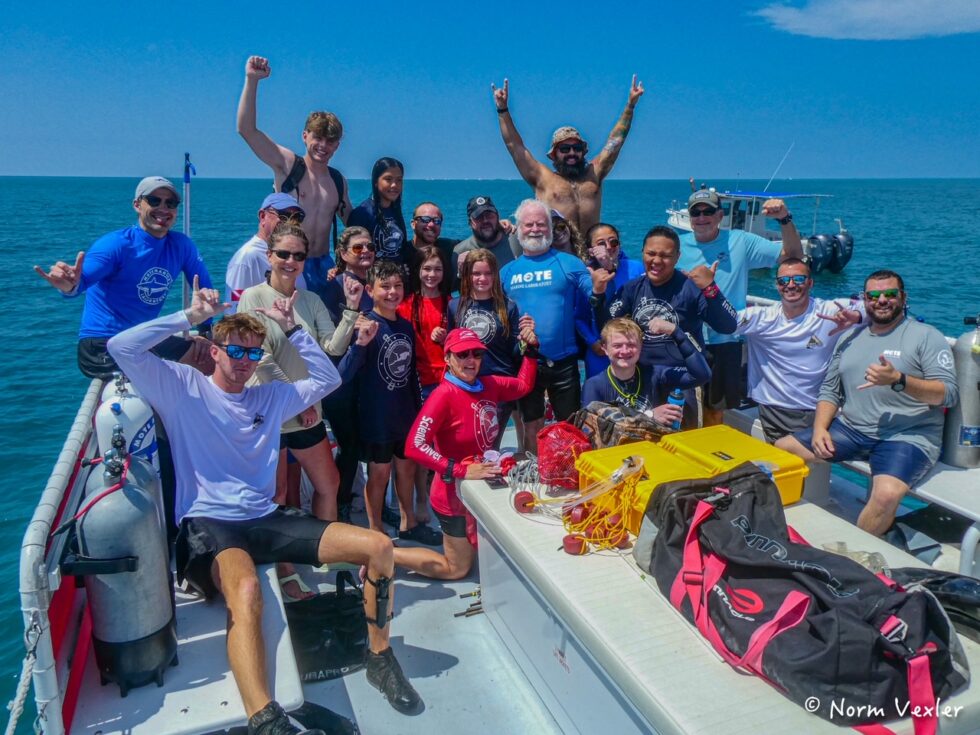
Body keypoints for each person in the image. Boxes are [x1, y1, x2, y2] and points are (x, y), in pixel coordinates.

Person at [107, 280, 423, 727]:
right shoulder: (181, 388)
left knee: (380, 548)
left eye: (253, 354)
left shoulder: (268, 396)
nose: (243, 362)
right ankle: (265, 719)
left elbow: (328, 380)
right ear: (214, 351)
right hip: (210, 523)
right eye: (235, 351)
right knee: (247, 591)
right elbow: (120, 347)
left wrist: (292, 329)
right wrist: (190, 317)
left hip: (265, 518)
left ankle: (379, 657)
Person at [776, 270, 959, 536]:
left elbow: (948, 393)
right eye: (873, 295)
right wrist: (820, 429)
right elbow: (830, 390)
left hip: (907, 435)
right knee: (782, 450)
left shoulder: (927, 336)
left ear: (903, 297)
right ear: (865, 300)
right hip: (852, 430)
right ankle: (785, 526)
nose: (881, 300)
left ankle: (857, 552)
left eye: (890, 294)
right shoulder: (849, 338)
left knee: (886, 496)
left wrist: (899, 380)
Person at [238, 222, 362, 521]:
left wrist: (352, 309)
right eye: (283, 254)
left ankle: (324, 542)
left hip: (308, 414)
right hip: (272, 414)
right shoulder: (252, 298)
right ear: (269, 256)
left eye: (298, 256)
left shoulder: (311, 300)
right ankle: (281, 553)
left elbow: (332, 347)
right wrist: (299, 401)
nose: (291, 261)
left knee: (329, 484)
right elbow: (261, 360)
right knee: (278, 492)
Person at [35, 176, 214, 378]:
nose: (163, 208)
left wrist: (206, 332)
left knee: (211, 362)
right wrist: (69, 285)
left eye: (170, 203)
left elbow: (204, 288)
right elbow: (80, 282)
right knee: (162, 379)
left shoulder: (181, 245)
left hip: (144, 337)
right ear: (137, 205)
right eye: (154, 201)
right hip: (103, 344)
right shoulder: (115, 245)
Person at [400, 324, 538, 579]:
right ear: (447, 358)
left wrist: (530, 350)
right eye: (462, 354)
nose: (471, 360)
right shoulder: (443, 395)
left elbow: (523, 385)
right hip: (451, 495)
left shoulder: (489, 384)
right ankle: (386, 553)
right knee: (458, 569)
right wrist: (459, 469)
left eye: (477, 354)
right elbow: (414, 446)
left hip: (482, 485)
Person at [677, 189, 804, 425]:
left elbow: (794, 255)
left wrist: (784, 219)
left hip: (726, 340)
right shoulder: (677, 246)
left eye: (708, 211)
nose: (702, 217)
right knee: (681, 409)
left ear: (720, 215)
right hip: (685, 340)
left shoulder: (740, 241)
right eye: (696, 212)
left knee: (715, 411)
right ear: (690, 217)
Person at [338, 261, 442, 545]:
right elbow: (343, 375)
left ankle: (409, 524)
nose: (392, 292)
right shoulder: (364, 325)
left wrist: (418, 413)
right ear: (370, 290)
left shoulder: (405, 326)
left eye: (397, 286)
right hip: (376, 417)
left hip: (404, 414)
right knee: (380, 473)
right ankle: (376, 531)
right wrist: (360, 343)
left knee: (406, 469)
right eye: (385, 286)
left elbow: (409, 375)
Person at [236, 55, 352, 303]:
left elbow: (352, 225)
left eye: (330, 141)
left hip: (325, 266)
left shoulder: (337, 180)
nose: (323, 146)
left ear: (337, 145)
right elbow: (247, 131)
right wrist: (252, 80)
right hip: (292, 263)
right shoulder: (288, 165)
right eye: (317, 138)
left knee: (328, 324)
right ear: (304, 136)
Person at [490, 75, 644, 234]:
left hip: (592, 248)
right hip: (559, 249)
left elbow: (616, 141)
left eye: (577, 148)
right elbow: (515, 147)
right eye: (564, 149)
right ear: (554, 154)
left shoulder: (595, 173)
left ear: (583, 151)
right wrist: (502, 110)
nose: (572, 153)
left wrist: (630, 106)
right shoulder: (543, 178)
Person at [500, 199, 594, 454]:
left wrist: (602, 280)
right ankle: (537, 470)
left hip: (564, 362)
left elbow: (595, 295)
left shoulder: (569, 263)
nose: (535, 229)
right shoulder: (507, 272)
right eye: (528, 224)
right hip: (526, 361)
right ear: (519, 229)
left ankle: (568, 470)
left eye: (541, 224)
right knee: (532, 424)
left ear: (550, 229)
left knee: (569, 425)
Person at [735, 258, 863, 443]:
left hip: (819, 409)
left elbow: (871, 307)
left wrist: (857, 316)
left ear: (810, 283)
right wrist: (709, 290)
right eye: (784, 281)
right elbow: (725, 322)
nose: (791, 285)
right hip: (773, 410)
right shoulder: (761, 317)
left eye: (799, 279)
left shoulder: (829, 311)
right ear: (777, 285)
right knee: (786, 457)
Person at [319, 227, 375, 523]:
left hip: (367, 380)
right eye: (357, 248)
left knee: (369, 444)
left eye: (370, 246)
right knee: (349, 445)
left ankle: (370, 504)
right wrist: (353, 324)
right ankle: (339, 506)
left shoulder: (375, 282)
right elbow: (328, 334)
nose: (365, 251)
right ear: (342, 254)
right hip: (341, 379)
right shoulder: (334, 287)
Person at [397, 246, 452, 524]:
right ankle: (421, 498)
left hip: (447, 383)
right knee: (422, 445)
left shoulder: (451, 303)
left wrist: (447, 338)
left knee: (446, 445)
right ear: (418, 271)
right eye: (427, 268)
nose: (432, 274)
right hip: (419, 383)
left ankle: (445, 495)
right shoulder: (405, 304)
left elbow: (461, 342)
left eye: (437, 269)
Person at [582, 318, 709, 422]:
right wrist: (649, 415)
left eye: (631, 345)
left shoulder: (655, 375)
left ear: (641, 346)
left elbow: (701, 375)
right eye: (617, 346)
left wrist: (676, 333)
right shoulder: (594, 385)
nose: (625, 351)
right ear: (605, 348)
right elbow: (590, 426)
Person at [578, 222, 644, 378]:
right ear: (590, 250)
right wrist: (593, 342)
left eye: (613, 242)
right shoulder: (585, 275)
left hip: (631, 349)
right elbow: (579, 317)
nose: (608, 247)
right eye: (601, 244)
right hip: (600, 351)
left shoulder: (636, 268)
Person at [225, 193, 306, 312]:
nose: (290, 222)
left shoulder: (294, 255)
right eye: (284, 215)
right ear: (263, 216)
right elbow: (234, 309)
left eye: (296, 217)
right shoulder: (246, 259)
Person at [348, 158, 408, 264]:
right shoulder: (363, 213)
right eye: (388, 179)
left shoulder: (395, 211)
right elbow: (352, 252)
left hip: (396, 273)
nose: (394, 185)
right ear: (376, 182)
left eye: (399, 180)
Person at [451, 195, 521, 277]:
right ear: (470, 223)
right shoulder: (460, 251)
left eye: (489, 216)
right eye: (479, 217)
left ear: (497, 217)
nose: (485, 220)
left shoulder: (518, 239)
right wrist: (460, 273)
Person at [399, 202, 458, 268]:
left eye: (436, 221)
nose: (431, 224)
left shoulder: (448, 247)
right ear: (413, 224)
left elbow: (467, 243)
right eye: (425, 219)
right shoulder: (401, 253)